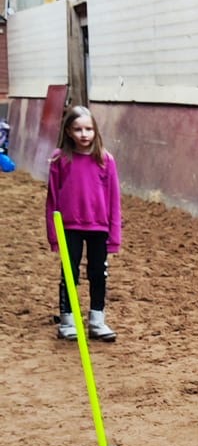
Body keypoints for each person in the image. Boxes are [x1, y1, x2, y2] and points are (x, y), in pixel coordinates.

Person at [46, 105, 121, 341]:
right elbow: (52, 199)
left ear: (95, 130)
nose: (84, 134)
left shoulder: (106, 160)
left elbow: (114, 199)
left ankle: (97, 320)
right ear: (69, 131)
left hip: (99, 227)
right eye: (78, 129)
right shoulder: (59, 159)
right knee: (69, 273)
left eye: (88, 129)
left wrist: (114, 236)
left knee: (98, 273)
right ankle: (67, 320)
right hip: (69, 228)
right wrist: (54, 235)